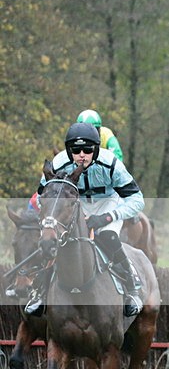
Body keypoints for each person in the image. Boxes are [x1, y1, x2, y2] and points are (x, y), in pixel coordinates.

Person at [24, 122, 144, 317]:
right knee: (54, 240)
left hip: (108, 203)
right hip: (75, 204)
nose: (81, 154)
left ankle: (132, 290)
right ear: (68, 149)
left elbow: (137, 200)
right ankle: (40, 292)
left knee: (108, 237)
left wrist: (107, 217)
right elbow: (42, 196)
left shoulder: (111, 163)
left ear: (96, 149)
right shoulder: (58, 163)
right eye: (76, 149)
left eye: (87, 149)